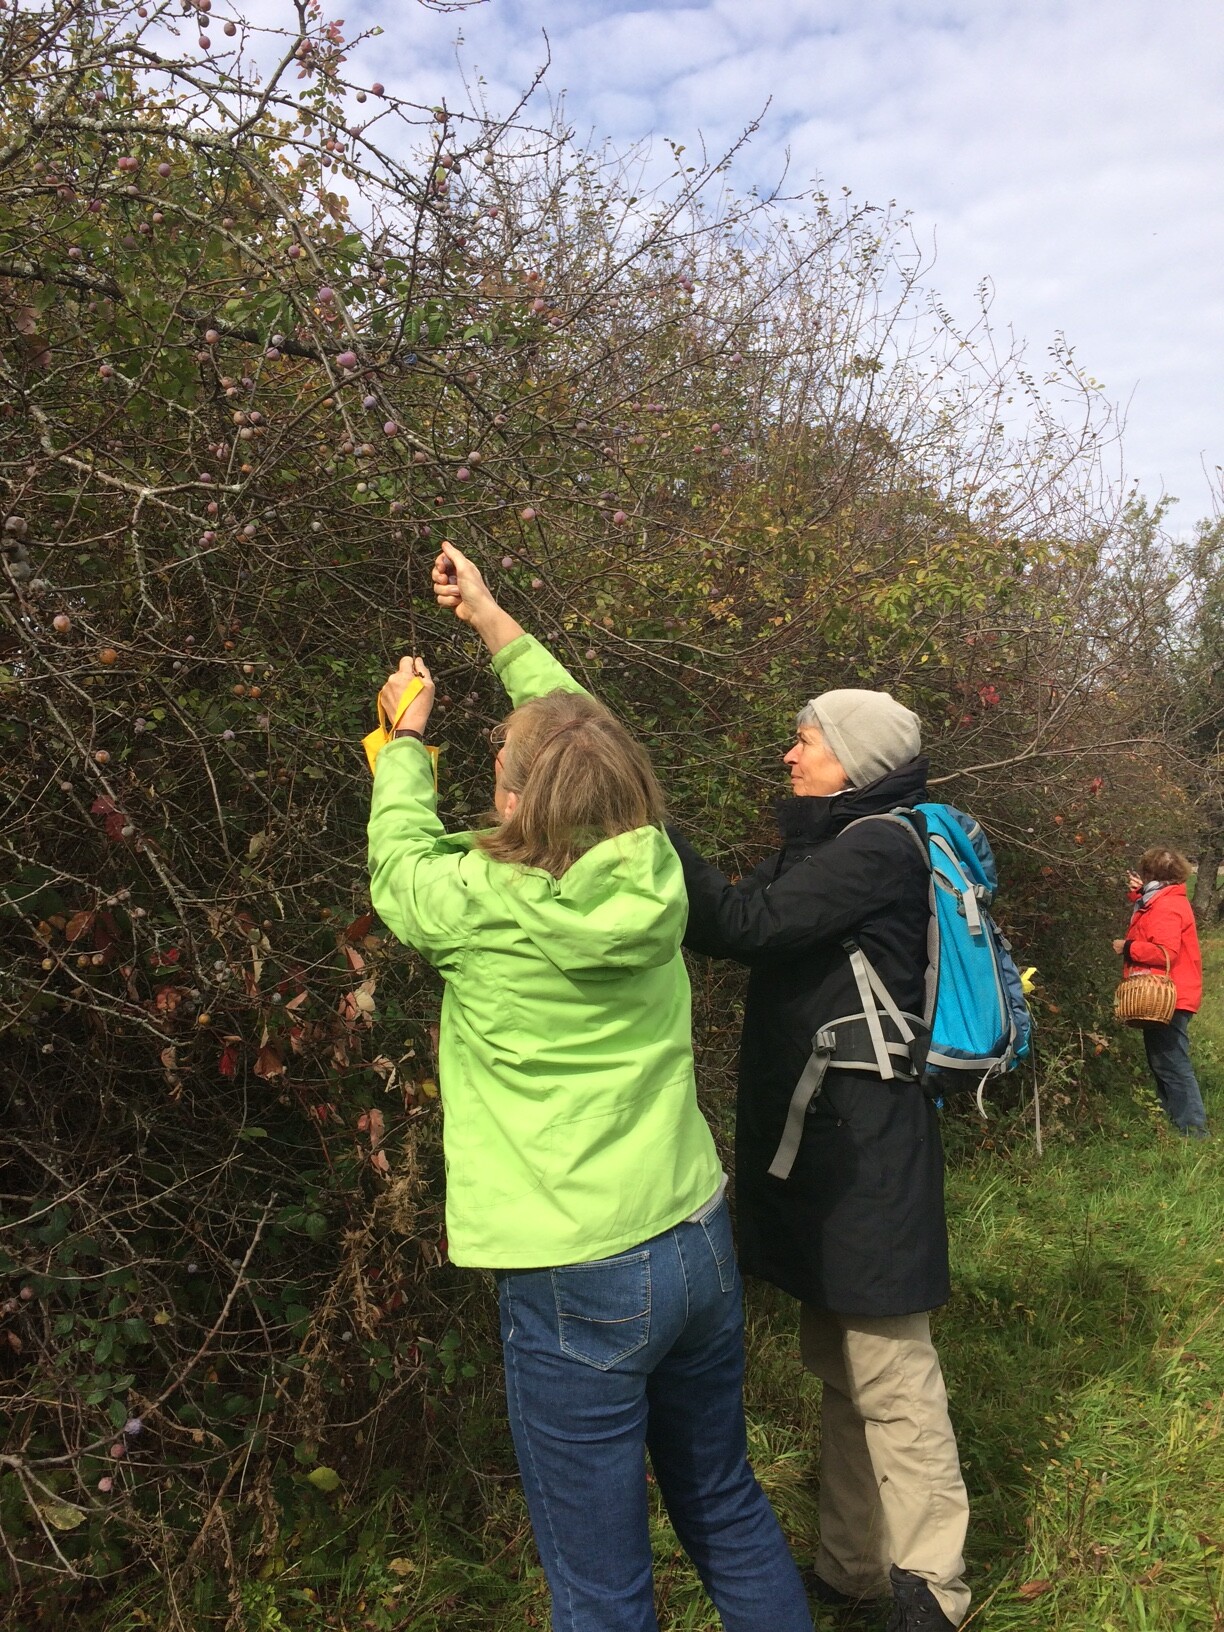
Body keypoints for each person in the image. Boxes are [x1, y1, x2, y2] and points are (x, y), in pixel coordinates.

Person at [366, 540, 813, 1632]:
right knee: (723, 1500)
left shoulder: (478, 907)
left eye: (503, 769)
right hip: (694, 1234)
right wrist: (490, 618)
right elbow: (580, 723)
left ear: (519, 795)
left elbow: (399, 866)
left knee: (602, 1587)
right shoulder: (653, 865)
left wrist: (403, 744)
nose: (496, 777)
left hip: (575, 1272)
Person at [666, 692, 971, 1632]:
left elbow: (740, 926)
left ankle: (934, 1591)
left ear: (855, 759)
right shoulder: (828, 844)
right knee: (843, 1366)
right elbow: (749, 910)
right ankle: (852, 1567)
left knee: (891, 1372)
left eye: (805, 741)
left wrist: (652, 829)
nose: (789, 755)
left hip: (869, 1152)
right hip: (833, 1151)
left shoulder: (877, 847)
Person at [1112, 847, 1208, 1137]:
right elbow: (1149, 916)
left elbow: (1164, 951)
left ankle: (1193, 1130)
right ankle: (1177, 1124)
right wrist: (1138, 893)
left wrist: (1126, 947)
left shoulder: (1165, 906)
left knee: (1172, 1063)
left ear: (1151, 874)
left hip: (1170, 996)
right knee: (1163, 1061)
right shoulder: (1165, 899)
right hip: (1171, 993)